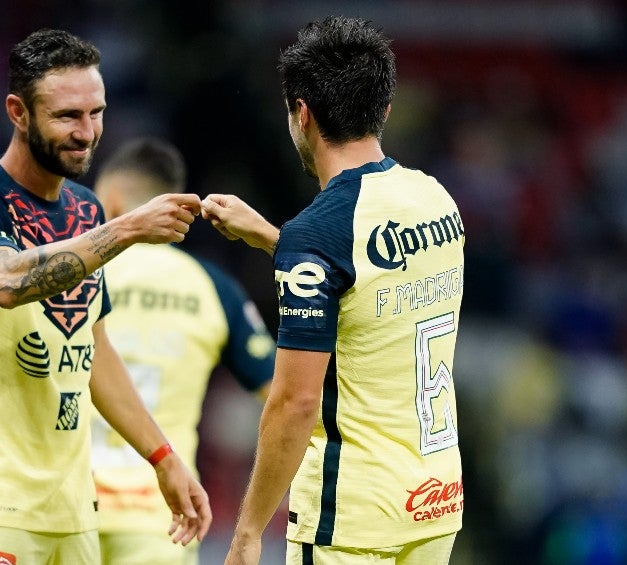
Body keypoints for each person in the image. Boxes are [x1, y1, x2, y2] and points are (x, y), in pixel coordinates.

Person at [0, 29, 211, 564]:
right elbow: (6, 281)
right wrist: (125, 230)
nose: (88, 133)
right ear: (18, 111)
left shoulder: (85, 209)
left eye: (95, 113)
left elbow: (93, 349)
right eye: (67, 117)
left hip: (73, 512)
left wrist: (164, 457)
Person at [201, 17, 466, 565]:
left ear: (302, 115)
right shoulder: (437, 200)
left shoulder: (318, 236)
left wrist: (248, 531)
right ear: (385, 109)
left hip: (351, 517)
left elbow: (294, 403)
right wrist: (276, 242)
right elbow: (372, 295)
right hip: (434, 504)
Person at [90, 137, 276, 565]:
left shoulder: (73, 273)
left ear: (113, 202)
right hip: (164, 517)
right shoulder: (212, 287)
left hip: (67, 509)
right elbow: (278, 394)